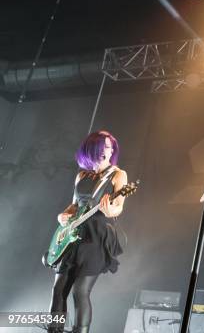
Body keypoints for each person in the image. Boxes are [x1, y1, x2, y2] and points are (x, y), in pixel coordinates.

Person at [48, 130, 128, 333]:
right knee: (58, 290)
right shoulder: (81, 175)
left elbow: (118, 207)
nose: (106, 151)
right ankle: (54, 329)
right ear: (91, 149)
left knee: (80, 291)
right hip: (73, 236)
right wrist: (62, 216)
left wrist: (111, 209)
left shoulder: (118, 174)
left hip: (96, 236)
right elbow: (73, 206)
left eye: (109, 147)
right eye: (102, 147)